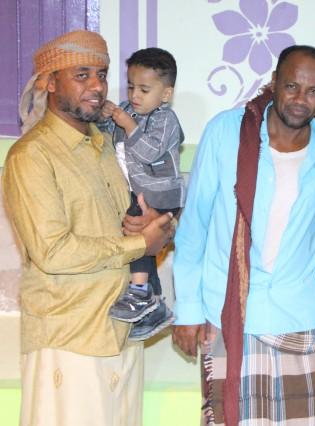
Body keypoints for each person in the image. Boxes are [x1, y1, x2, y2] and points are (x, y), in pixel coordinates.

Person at [172, 45, 315, 425]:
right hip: (225, 312)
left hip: (296, 313)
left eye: (313, 91)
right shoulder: (226, 131)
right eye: (292, 86)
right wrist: (187, 309)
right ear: (273, 82)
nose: (301, 99)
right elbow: (195, 225)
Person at [2, 30, 174, 426]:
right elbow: (53, 252)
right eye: (81, 75)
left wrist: (157, 229)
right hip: (68, 340)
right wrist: (139, 243)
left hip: (120, 333)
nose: (97, 86)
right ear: (49, 82)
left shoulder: (107, 146)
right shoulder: (31, 156)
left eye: (102, 74)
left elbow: (136, 232)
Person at [99, 47, 184, 340]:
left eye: (144, 90)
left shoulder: (166, 120)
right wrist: (106, 116)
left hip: (161, 192)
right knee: (137, 239)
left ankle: (139, 291)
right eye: (131, 86)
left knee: (137, 236)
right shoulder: (128, 109)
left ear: (165, 94)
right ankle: (152, 302)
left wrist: (128, 124)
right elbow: (110, 135)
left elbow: (150, 152)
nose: (135, 95)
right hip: (138, 190)